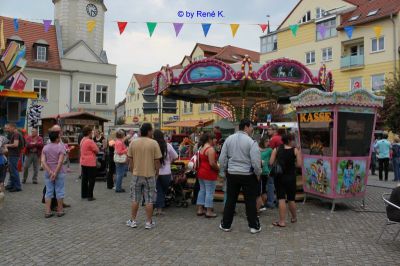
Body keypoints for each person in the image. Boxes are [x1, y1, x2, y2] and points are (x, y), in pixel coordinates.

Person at [219, 119, 262, 234]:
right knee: (250, 201)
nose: (252, 129)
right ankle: (253, 226)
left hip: (232, 174)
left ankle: (226, 224)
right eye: (251, 126)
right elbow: (256, 161)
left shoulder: (228, 139)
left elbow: (222, 158)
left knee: (231, 200)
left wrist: (222, 172)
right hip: (247, 175)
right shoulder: (251, 142)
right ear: (246, 127)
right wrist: (258, 173)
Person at [126, 123, 162, 230]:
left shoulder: (133, 142)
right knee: (149, 199)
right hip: (149, 174)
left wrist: (133, 171)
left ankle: (133, 220)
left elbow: (130, 160)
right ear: (149, 131)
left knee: (135, 198)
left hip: (136, 174)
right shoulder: (154, 143)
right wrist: (157, 172)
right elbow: (157, 161)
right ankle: (148, 222)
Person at [269, 133, 302, 228]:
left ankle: (282, 221)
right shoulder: (295, 150)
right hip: (291, 177)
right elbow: (299, 165)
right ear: (289, 141)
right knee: (291, 199)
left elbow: (271, 162)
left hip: (279, 177)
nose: (294, 142)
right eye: (293, 140)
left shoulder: (277, 149)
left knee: (281, 199)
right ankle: (294, 217)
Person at [41, 130, 66, 218]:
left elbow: (43, 161)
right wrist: (55, 172)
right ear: (56, 138)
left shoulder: (45, 148)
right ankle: (60, 210)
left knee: (48, 191)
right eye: (59, 137)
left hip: (48, 173)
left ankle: (47, 211)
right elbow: (60, 162)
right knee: (59, 191)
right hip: (59, 172)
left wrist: (50, 171)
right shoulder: (61, 148)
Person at [153, 129, 178, 215]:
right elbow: (176, 156)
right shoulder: (168, 146)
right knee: (162, 191)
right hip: (166, 172)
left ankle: (155, 207)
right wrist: (169, 162)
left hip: (154, 171)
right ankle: (159, 209)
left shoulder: (152, 145)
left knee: (157, 190)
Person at [196, 133, 219, 218]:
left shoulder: (201, 147)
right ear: (209, 139)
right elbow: (212, 163)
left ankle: (200, 209)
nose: (215, 140)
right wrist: (218, 169)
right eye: (214, 139)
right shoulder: (210, 149)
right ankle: (209, 211)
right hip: (209, 173)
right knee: (209, 192)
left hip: (201, 172)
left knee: (202, 190)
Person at [80, 126, 99, 201]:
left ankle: (84, 194)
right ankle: (90, 196)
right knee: (91, 179)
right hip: (90, 162)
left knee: (84, 178)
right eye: (91, 132)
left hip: (83, 161)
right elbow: (97, 150)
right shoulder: (90, 141)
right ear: (89, 133)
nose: (92, 134)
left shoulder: (82, 140)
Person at [4, 123, 24, 192]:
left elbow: (15, 144)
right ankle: (12, 185)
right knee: (12, 170)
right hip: (13, 154)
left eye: (9, 128)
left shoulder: (16, 134)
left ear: (13, 127)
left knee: (14, 171)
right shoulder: (16, 134)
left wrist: (6, 145)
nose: (8, 130)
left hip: (14, 155)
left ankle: (17, 186)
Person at [259, 135, 273, 211]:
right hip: (257, 171)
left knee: (263, 189)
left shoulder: (270, 150)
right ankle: (261, 205)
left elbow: (272, 161)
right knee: (259, 189)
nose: (268, 143)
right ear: (262, 141)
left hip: (265, 172)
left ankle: (262, 205)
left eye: (268, 141)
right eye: (266, 141)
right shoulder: (256, 148)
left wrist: (269, 169)